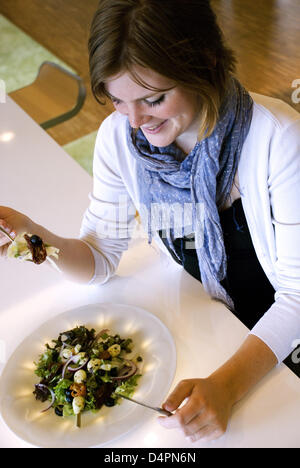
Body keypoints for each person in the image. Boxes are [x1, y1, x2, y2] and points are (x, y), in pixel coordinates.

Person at [1, 0, 300, 442]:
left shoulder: (278, 139)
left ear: (206, 64)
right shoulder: (120, 140)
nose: (136, 122)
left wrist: (228, 386)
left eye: (153, 99)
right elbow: (102, 254)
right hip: (212, 322)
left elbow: (297, 296)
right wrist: (37, 237)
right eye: (118, 100)